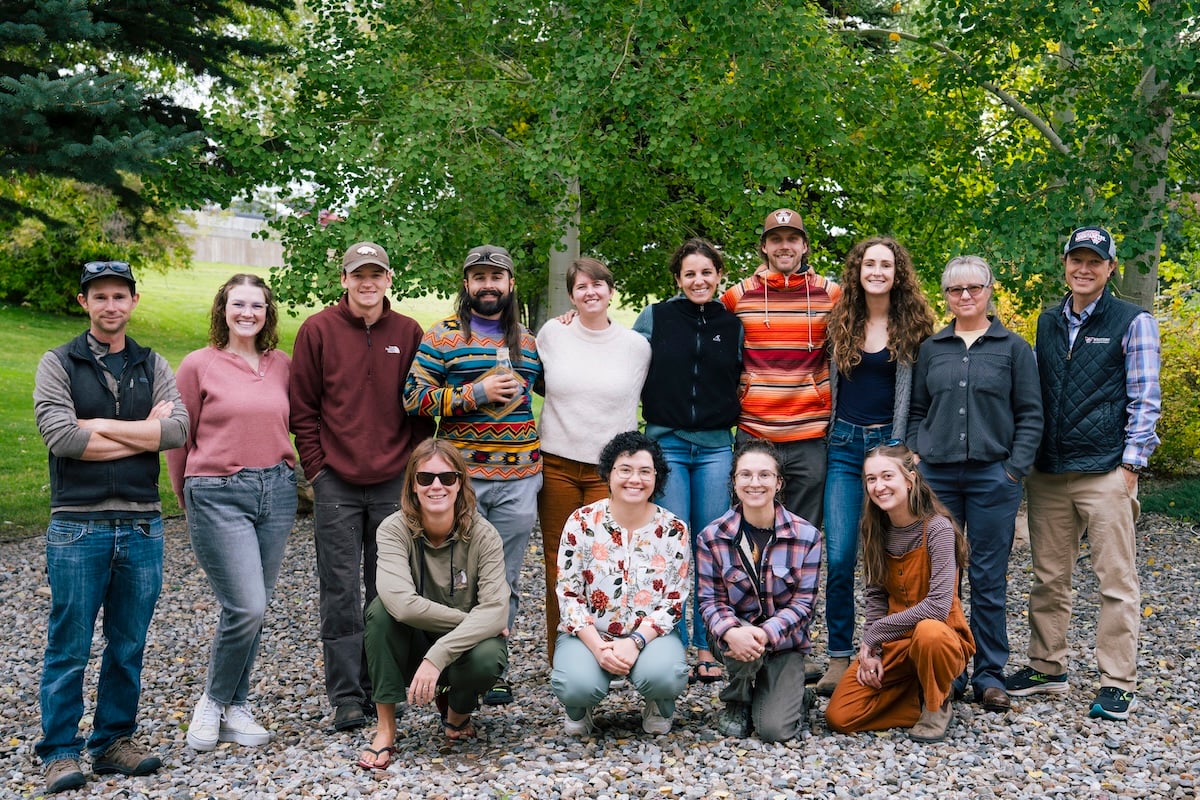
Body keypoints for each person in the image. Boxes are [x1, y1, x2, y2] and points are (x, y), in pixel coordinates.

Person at [33, 261, 189, 793]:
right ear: (84, 302)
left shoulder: (153, 364)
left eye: (120, 296)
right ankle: (58, 750)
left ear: (134, 301)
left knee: (128, 643)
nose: (110, 305)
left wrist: (97, 423)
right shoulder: (58, 363)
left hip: (142, 524)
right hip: (78, 525)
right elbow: (62, 439)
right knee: (70, 643)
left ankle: (112, 741)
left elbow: (178, 431)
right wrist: (145, 429)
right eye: (99, 296)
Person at [1006, 226, 1161, 722]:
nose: (1085, 268)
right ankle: (1046, 667)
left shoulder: (1133, 321)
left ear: (1111, 268)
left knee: (1115, 581)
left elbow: (1145, 398)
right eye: (1077, 259)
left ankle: (1117, 681)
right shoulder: (1047, 321)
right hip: (1049, 472)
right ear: (1065, 264)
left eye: (1095, 261)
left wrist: (1131, 466)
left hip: (1104, 471)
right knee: (1049, 579)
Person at [290, 242, 435, 732]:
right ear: (345, 279)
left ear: (388, 278)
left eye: (376, 273)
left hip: (394, 481)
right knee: (339, 590)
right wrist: (316, 468)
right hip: (337, 483)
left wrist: (414, 470)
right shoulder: (319, 330)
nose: (367, 282)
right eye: (358, 274)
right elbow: (303, 409)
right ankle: (346, 696)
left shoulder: (408, 332)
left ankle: (382, 688)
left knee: (389, 588)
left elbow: (420, 406)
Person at [405, 244, 543, 705]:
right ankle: (447, 663)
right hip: (461, 479)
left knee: (505, 579)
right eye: (479, 277)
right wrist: (473, 393)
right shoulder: (441, 336)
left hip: (520, 475)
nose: (488, 285)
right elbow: (413, 398)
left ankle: (493, 666)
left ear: (510, 284)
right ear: (466, 285)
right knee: (454, 576)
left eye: (496, 277)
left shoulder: (529, 340)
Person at [906, 255, 1042, 712]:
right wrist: (916, 455)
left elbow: (1030, 415)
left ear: (989, 290)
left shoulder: (1013, 349)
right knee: (943, 576)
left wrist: (1013, 469)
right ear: (945, 296)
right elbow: (917, 411)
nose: (965, 296)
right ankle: (951, 668)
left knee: (987, 575)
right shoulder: (932, 349)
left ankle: (989, 673)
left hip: (993, 477)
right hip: (938, 478)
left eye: (974, 288)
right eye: (955, 290)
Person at [167, 274, 296, 751]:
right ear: (223, 308)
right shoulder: (198, 365)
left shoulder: (282, 364)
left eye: (257, 305)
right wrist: (184, 494)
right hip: (217, 492)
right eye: (238, 304)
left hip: (277, 491)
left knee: (254, 607)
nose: (248, 313)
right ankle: (212, 701)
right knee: (247, 604)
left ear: (268, 312)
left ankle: (236, 705)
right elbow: (179, 437)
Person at [816, 237, 936, 696]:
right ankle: (839, 656)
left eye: (886, 264)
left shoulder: (915, 325)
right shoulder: (840, 320)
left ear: (897, 272)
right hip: (844, 446)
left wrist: (913, 447)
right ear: (858, 270)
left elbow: (924, 394)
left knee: (893, 555)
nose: (878, 271)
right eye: (870, 263)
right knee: (842, 555)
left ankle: (892, 649)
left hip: (891, 446)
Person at [358, 439, 509, 767]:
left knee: (489, 655)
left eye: (447, 478)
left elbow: (498, 609)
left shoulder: (484, 535)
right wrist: (481, 622)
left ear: (460, 484)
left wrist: (442, 652)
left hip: (462, 647)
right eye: (425, 478)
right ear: (413, 485)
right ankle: (385, 728)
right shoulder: (393, 529)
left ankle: (456, 712)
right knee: (380, 612)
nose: (436, 486)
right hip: (411, 638)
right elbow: (403, 606)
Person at [633, 237, 743, 685]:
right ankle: (671, 641)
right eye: (690, 273)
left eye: (707, 272)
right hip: (670, 445)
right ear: (677, 279)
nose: (699, 280)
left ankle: (708, 642)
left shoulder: (732, 324)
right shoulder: (656, 317)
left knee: (713, 547)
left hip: (717, 446)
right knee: (672, 547)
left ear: (719, 276)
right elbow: (621, 355)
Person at [536, 257, 650, 663]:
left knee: (607, 560)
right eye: (581, 286)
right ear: (571, 296)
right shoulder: (552, 334)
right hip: (558, 464)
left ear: (610, 290)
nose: (590, 292)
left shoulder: (636, 347)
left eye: (598, 284)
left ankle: (609, 653)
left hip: (611, 470)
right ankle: (562, 656)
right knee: (558, 562)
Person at [824, 444, 975, 743]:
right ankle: (919, 696)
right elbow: (877, 595)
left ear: (909, 479)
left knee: (928, 631)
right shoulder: (875, 529)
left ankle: (936, 704)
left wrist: (874, 634)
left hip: (941, 640)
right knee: (840, 716)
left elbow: (938, 607)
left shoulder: (938, 529)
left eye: (887, 476)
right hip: (897, 645)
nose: (878, 486)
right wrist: (873, 652)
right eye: (871, 479)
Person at [551, 431, 690, 736]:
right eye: (625, 470)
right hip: (590, 634)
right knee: (576, 684)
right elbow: (569, 594)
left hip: (648, 636)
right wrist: (599, 648)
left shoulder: (673, 529)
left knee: (665, 675)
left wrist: (635, 642)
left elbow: (674, 601)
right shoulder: (582, 521)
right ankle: (580, 706)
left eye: (644, 471)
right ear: (609, 473)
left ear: (657, 477)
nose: (634, 479)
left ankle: (659, 703)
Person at [721, 208, 841, 527]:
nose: (784, 246)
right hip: (755, 432)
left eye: (792, 239)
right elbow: (700, 319)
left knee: (804, 530)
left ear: (804, 246)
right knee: (750, 527)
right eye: (776, 239)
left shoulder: (831, 295)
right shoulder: (739, 296)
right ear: (764, 246)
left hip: (809, 434)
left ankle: (799, 580)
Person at [695, 440, 822, 742]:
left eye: (764, 475)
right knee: (741, 645)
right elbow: (709, 600)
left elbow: (804, 606)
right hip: (733, 639)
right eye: (746, 475)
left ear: (778, 483)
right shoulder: (712, 537)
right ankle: (738, 700)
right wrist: (732, 632)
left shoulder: (807, 537)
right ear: (734, 482)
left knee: (774, 730)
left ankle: (796, 697)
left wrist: (765, 634)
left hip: (784, 644)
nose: (755, 483)